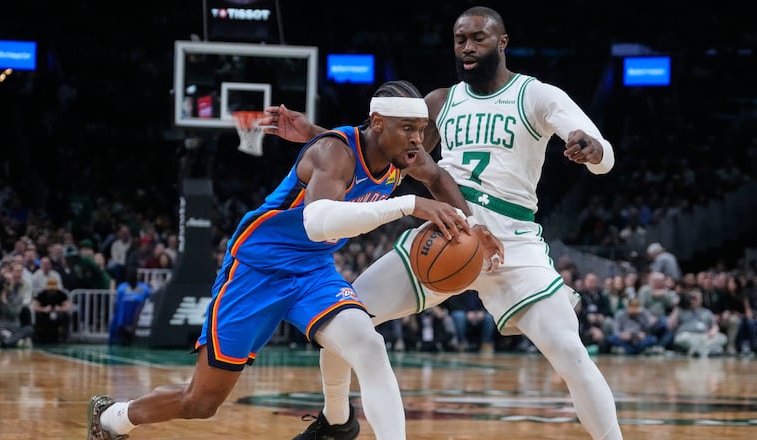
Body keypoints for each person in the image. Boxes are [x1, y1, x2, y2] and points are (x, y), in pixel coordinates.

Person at [261, 6, 622, 440]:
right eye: (459, 39)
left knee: (569, 350)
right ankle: (335, 421)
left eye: (478, 39)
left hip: (511, 243)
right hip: (444, 233)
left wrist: (592, 150)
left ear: (502, 42)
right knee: (346, 316)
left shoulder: (537, 95)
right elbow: (383, 152)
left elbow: (602, 153)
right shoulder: (438, 101)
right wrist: (316, 135)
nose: (467, 48)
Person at [86, 80, 489, 440]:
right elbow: (318, 222)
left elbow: (436, 178)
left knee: (369, 345)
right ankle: (114, 417)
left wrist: (471, 227)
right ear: (378, 123)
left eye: (421, 131)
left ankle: (338, 422)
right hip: (257, 269)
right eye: (408, 130)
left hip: (313, 272)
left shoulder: (402, 155)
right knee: (202, 401)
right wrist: (408, 204)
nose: (418, 142)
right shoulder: (334, 152)